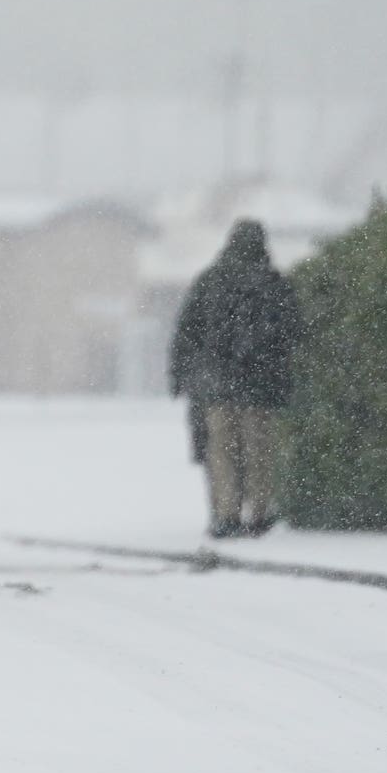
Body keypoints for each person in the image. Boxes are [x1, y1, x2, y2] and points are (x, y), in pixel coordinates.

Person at [167, 219, 301, 539]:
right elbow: (292, 332)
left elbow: (187, 331)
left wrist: (180, 374)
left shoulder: (210, 281)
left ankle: (226, 514)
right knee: (259, 450)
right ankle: (259, 511)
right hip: (260, 385)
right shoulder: (273, 284)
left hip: (217, 385)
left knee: (222, 451)